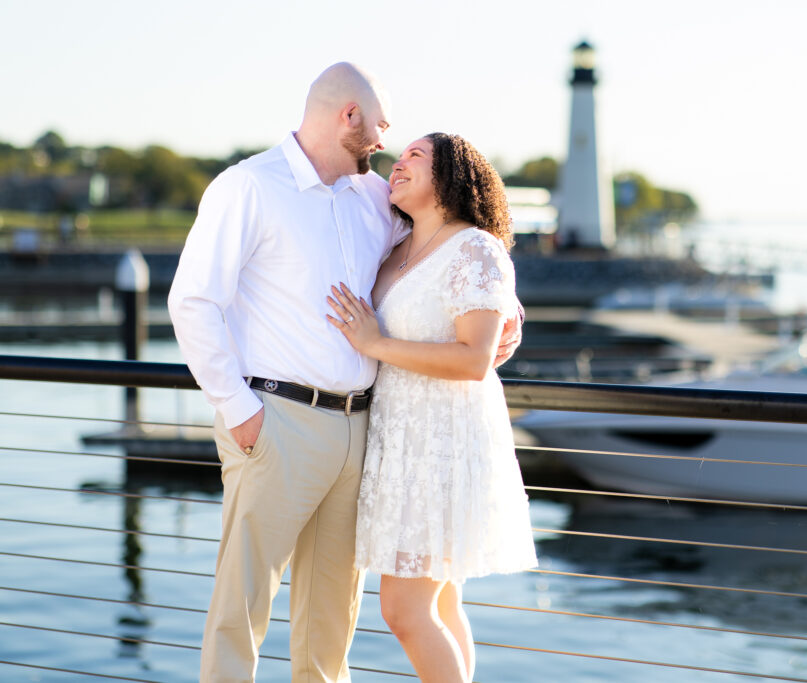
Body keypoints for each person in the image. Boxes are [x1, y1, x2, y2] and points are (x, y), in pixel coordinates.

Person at [168, 65, 522, 682]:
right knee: (242, 607)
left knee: (333, 616)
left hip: (364, 431)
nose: (386, 141)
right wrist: (239, 410)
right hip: (276, 420)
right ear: (349, 117)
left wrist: (510, 311)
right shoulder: (249, 186)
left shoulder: (372, 202)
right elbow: (193, 302)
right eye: (382, 125)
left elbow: (448, 256)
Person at [326, 132, 538, 683]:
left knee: (403, 610)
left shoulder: (475, 248)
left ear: (450, 177)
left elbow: (474, 359)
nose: (398, 164)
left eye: (416, 156)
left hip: (443, 442)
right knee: (440, 606)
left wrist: (375, 344)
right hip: (400, 441)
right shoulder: (399, 245)